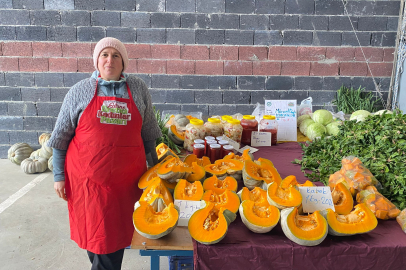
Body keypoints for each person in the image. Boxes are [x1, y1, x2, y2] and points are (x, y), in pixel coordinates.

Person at [47, 37, 162, 270]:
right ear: (97, 61)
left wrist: (157, 170)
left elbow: (150, 134)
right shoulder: (79, 91)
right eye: (104, 55)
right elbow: (60, 138)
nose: (110, 60)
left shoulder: (138, 89)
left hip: (127, 181)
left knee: (109, 240)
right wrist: (59, 176)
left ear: (124, 63)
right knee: (99, 238)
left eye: (116, 55)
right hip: (88, 180)